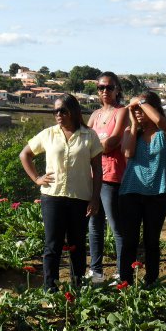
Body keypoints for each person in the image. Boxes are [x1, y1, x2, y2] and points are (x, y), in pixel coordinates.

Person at [20, 94, 102, 292]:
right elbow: (25, 154)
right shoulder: (48, 134)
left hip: (79, 198)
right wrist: (37, 179)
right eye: (55, 111)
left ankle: (77, 287)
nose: (58, 114)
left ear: (73, 112)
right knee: (52, 246)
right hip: (52, 197)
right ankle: (51, 289)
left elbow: (98, 170)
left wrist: (95, 198)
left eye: (62, 111)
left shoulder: (89, 135)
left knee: (77, 245)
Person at [118, 91, 166, 286]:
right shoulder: (131, 131)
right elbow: (128, 152)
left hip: (157, 194)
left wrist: (140, 102)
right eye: (134, 111)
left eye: (141, 110)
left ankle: (151, 279)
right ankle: (125, 279)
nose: (138, 113)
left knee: (152, 240)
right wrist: (133, 125)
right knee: (130, 240)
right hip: (131, 193)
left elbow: (160, 120)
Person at [86, 71, 128, 283]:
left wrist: (93, 148)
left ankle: (122, 272)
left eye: (109, 87)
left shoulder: (121, 112)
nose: (104, 91)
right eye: (101, 88)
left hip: (112, 177)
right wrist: (96, 148)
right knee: (94, 226)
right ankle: (97, 271)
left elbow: (113, 142)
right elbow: (83, 141)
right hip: (94, 176)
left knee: (116, 226)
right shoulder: (95, 115)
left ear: (117, 89)